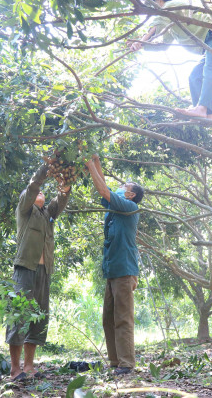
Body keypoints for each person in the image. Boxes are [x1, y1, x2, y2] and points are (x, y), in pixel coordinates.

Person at [6, 162, 71, 380]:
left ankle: (29, 366)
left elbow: (61, 200)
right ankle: (15, 369)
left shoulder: (47, 214)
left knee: (39, 317)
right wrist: (46, 168)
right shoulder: (25, 211)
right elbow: (34, 185)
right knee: (19, 316)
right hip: (25, 268)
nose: (41, 193)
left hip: (44, 271)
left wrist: (66, 183)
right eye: (37, 192)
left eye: (43, 192)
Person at [129, 0, 212, 120]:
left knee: (209, 70)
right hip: (211, 45)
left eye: (154, 4)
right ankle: (208, 114)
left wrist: (142, 40)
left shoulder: (171, 5)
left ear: (160, 1)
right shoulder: (172, 23)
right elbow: (164, 44)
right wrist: (143, 46)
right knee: (195, 77)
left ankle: (202, 109)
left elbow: (158, 22)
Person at [85, 154, 144, 375]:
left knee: (123, 317)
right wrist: (95, 160)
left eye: (123, 186)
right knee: (108, 318)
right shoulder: (115, 208)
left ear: (130, 194)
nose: (119, 188)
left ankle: (127, 363)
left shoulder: (128, 207)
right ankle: (115, 361)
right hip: (112, 270)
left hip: (124, 271)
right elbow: (106, 187)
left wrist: (90, 166)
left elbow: (103, 190)